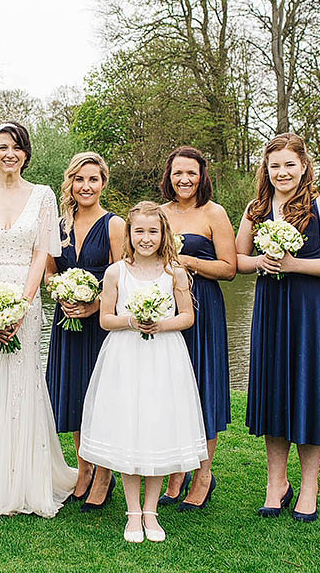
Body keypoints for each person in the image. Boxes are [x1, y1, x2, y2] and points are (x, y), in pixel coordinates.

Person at [0, 121, 76, 521]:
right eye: (3, 147)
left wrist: (20, 306)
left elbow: (42, 253)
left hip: (26, 298)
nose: (10, 154)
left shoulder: (42, 196)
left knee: (23, 386)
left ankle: (26, 481)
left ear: (26, 153)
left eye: (17, 147)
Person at [235, 133, 320, 522]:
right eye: (274, 166)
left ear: (303, 166)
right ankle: (276, 483)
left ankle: (309, 487)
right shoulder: (256, 208)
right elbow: (237, 259)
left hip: (310, 309)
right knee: (274, 390)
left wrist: (294, 264)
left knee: (307, 389)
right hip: (271, 308)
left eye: (289, 164)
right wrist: (261, 263)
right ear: (265, 171)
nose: (281, 172)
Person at [79, 201, 207, 543]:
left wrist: (160, 324)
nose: (146, 238)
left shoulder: (174, 272)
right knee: (128, 431)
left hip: (165, 358)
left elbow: (187, 318)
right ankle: (132, 512)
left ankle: (152, 511)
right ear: (130, 235)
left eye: (153, 231)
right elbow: (106, 319)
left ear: (163, 233)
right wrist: (133, 321)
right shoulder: (115, 272)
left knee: (157, 429)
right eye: (139, 231)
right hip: (125, 357)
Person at [45, 152, 124, 510]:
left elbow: (124, 277)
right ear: (70, 184)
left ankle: (104, 474)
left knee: (101, 398)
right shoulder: (57, 225)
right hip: (67, 324)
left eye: (93, 179)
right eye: (79, 179)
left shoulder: (114, 225)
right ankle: (84, 468)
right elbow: (48, 271)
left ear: (103, 183)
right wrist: (60, 293)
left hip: (100, 329)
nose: (86, 186)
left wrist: (93, 306)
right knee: (75, 395)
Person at [158, 147, 236, 510]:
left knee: (202, 385)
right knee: (171, 388)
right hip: (165, 307)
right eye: (178, 173)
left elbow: (229, 267)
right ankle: (176, 471)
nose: (184, 180)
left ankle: (203, 475)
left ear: (202, 176)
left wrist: (187, 260)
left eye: (191, 173)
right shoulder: (160, 214)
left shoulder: (214, 213)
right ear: (168, 176)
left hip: (203, 306)